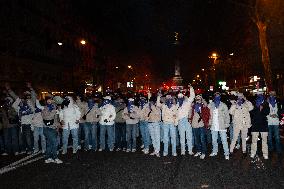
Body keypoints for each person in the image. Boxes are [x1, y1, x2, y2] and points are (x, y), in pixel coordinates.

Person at [8, 83, 35, 154]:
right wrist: (10, 90)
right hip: (21, 124)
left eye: (27, 95)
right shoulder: (19, 106)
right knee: (21, 138)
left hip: (29, 123)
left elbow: (33, 96)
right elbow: (14, 105)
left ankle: (30, 149)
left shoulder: (31, 103)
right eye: (25, 95)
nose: (26, 96)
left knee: (28, 138)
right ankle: (23, 149)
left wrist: (31, 88)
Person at [208, 92, 230, 160]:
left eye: (218, 96)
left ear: (220, 97)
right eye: (216, 96)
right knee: (214, 140)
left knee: (224, 140)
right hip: (213, 125)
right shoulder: (211, 105)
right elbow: (207, 113)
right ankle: (215, 151)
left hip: (222, 125)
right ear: (214, 97)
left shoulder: (224, 105)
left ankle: (226, 153)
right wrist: (209, 123)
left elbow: (227, 116)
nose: (217, 97)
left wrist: (227, 124)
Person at [42, 96, 62, 164]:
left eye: (51, 100)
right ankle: (55, 158)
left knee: (50, 144)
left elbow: (56, 119)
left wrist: (58, 126)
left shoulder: (54, 108)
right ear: (46, 101)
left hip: (53, 129)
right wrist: (54, 109)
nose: (50, 101)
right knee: (55, 143)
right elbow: (48, 118)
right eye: (48, 100)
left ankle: (48, 158)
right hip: (47, 129)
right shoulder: (45, 109)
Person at [250, 93, 270, 159]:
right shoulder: (254, 104)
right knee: (254, 141)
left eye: (261, 96)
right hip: (255, 125)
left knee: (264, 141)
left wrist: (261, 109)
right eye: (259, 96)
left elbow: (267, 112)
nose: (260, 97)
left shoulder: (266, 104)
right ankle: (253, 153)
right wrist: (258, 108)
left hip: (263, 125)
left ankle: (265, 154)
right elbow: (252, 112)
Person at [190, 94, 210, 159]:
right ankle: (198, 151)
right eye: (197, 98)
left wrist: (202, 99)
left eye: (199, 98)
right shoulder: (193, 105)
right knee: (196, 139)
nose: (198, 99)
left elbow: (206, 104)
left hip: (201, 123)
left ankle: (203, 152)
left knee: (202, 138)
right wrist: (190, 120)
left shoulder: (203, 105)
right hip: (194, 123)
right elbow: (190, 113)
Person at [177, 86, 195, 155]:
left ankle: (190, 150)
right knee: (182, 136)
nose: (180, 98)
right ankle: (183, 150)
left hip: (187, 120)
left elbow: (192, 96)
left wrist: (191, 88)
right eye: (179, 97)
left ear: (183, 97)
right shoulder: (176, 104)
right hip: (180, 121)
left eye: (181, 97)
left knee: (189, 136)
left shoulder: (187, 102)